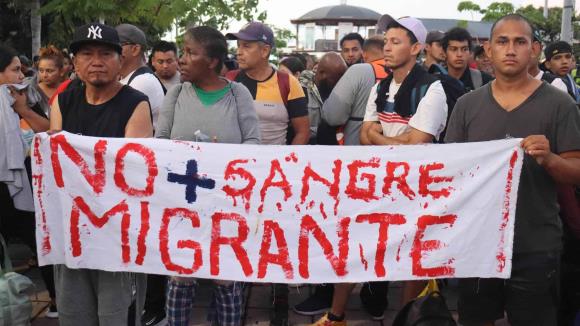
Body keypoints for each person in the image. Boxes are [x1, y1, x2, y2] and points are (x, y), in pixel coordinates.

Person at [444, 14, 580, 326]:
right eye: (502, 41)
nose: (510, 49)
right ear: (488, 49)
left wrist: (550, 160)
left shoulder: (560, 105)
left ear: (534, 49)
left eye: (520, 42)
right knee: (475, 320)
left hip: (536, 244)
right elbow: (449, 171)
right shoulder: (466, 105)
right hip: (477, 242)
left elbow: (576, 171)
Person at [312, 17, 449, 326]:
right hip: (378, 183)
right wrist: (394, 140)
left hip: (416, 188)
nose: (387, 47)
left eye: (396, 42)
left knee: (411, 257)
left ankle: (405, 319)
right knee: (354, 244)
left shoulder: (432, 90)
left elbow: (415, 145)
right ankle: (336, 317)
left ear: (416, 48)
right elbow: (364, 135)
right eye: (386, 41)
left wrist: (381, 139)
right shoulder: (380, 85)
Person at [49, 22, 153, 326]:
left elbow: (137, 173)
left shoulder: (135, 104)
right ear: (75, 63)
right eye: (87, 54)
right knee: (74, 312)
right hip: (73, 229)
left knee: (116, 314)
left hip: (118, 234)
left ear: (120, 61)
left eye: (106, 53)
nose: (97, 61)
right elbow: (56, 164)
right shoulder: (63, 100)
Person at [157, 25, 260, 326]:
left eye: (190, 53)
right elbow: (159, 142)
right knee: (181, 275)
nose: (182, 59)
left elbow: (254, 143)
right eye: (183, 52)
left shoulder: (237, 93)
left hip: (226, 203)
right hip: (182, 204)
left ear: (213, 61)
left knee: (224, 277)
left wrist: (222, 158)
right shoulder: (176, 93)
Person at [0, 45, 54, 318]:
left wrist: (22, 109)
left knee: (39, 239)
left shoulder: (22, 99)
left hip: (22, 183)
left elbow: (49, 131)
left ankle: (56, 300)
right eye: (15, 69)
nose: (22, 74)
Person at [226, 21, 309, 146]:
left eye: (246, 46)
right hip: (235, 162)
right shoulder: (230, 79)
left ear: (265, 51)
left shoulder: (289, 82)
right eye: (238, 45)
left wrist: (287, 162)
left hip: (273, 163)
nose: (238, 51)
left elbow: (303, 132)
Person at [316, 35, 386, 147]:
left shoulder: (358, 71)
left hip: (356, 147)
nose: (350, 54)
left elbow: (332, 117)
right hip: (396, 145)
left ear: (364, 53)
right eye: (346, 50)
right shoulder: (403, 72)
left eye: (355, 50)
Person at [116, 23, 165, 129]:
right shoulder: (128, 77)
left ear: (135, 49)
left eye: (116, 46)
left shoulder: (142, 81)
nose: (111, 51)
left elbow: (114, 121)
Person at [441, 27, 493, 92]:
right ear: (444, 52)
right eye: (454, 49)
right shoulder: (436, 82)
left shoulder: (484, 80)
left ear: (470, 52)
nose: (459, 54)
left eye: (464, 49)